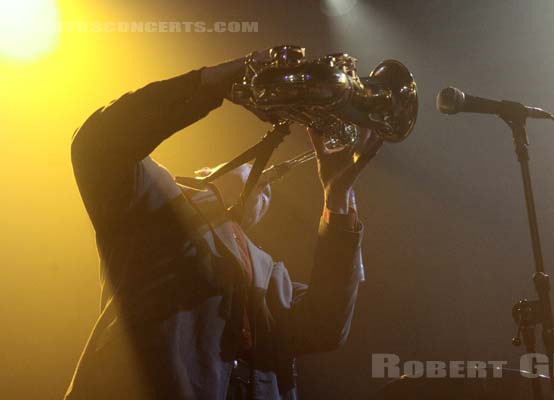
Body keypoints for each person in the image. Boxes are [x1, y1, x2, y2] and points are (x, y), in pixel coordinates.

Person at [65, 48, 383, 400]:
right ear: (206, 174)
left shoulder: (268, 270)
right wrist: (215, 81)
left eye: (268, 197)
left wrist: (337, 197)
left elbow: (326, 326)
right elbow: (98, 143)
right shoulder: (157, 198)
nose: (267, 189)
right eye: (257, 179)